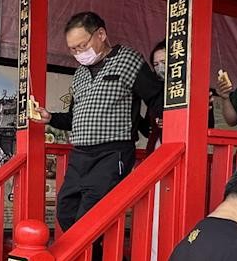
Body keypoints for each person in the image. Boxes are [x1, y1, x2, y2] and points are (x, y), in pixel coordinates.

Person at [32, 12, 163, 240]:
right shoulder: (80, 74)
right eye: (73, 49)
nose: (78, 53)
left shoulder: (128, 60)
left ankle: (90, 260)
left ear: (101, 34)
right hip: (80, 155)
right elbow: (74, 117)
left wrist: (164, 120)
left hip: (112, 153)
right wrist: (50, 117)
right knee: (65, 209)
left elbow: (155, 96)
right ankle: (95, 257)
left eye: (82, 45)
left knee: (90, 215)